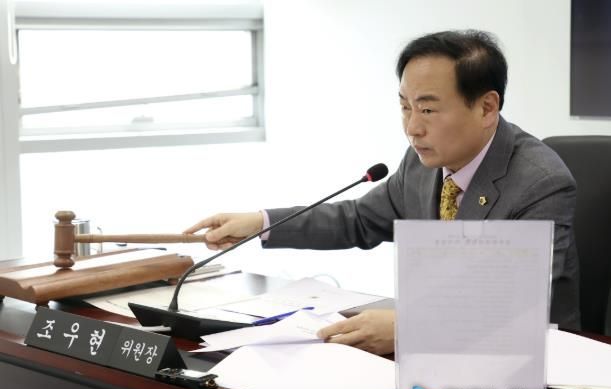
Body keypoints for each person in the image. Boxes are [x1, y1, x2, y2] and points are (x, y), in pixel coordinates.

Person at [184, 30, 580, 355]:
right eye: (405, 107)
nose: (412, 128)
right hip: (433, 365)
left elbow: (521, 306)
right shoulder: (422, 164)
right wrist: (262, 224)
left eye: (428, 110)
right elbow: (359, 219)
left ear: (487, 107)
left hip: (532, 366)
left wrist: (412, 330)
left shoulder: (539, 182)